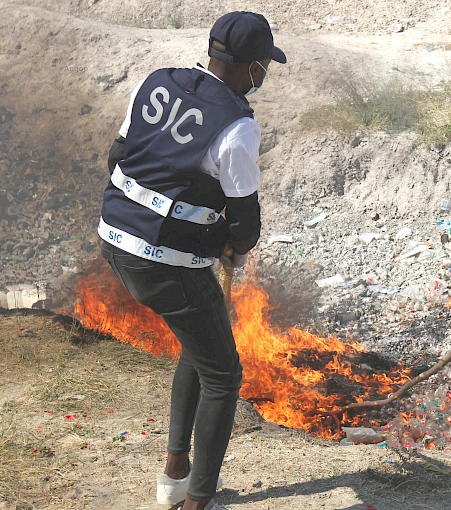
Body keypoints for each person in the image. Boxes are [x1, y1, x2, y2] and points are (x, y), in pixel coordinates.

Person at [97, 12, 285, 510]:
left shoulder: (156, 81)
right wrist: (233, 247)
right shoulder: (239, 126)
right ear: (250, 67)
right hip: (161, 262)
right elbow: (245, 219)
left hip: (113, 238)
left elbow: (118, 158)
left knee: (200, 341)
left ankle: (175, 472)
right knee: (223, 375)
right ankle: (199, 500)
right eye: (265, 63)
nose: (265, 73)